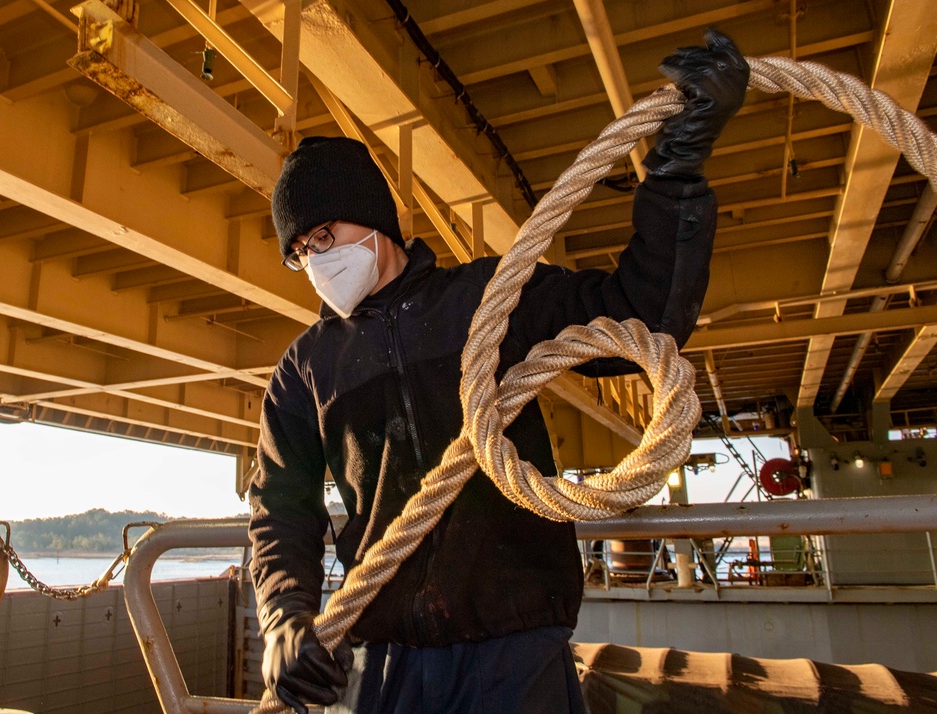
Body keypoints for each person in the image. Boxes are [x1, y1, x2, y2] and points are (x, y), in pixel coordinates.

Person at [249, 29, 749, 714]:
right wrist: (282, 614)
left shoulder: (489, 297)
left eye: (323, 238)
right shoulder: (305, 368)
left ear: (370, 221)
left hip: (516, 647)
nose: (315, 263)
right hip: (386, 659)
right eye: (300, 251)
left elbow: (641, 316)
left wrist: (676, 173)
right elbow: (280, 507)